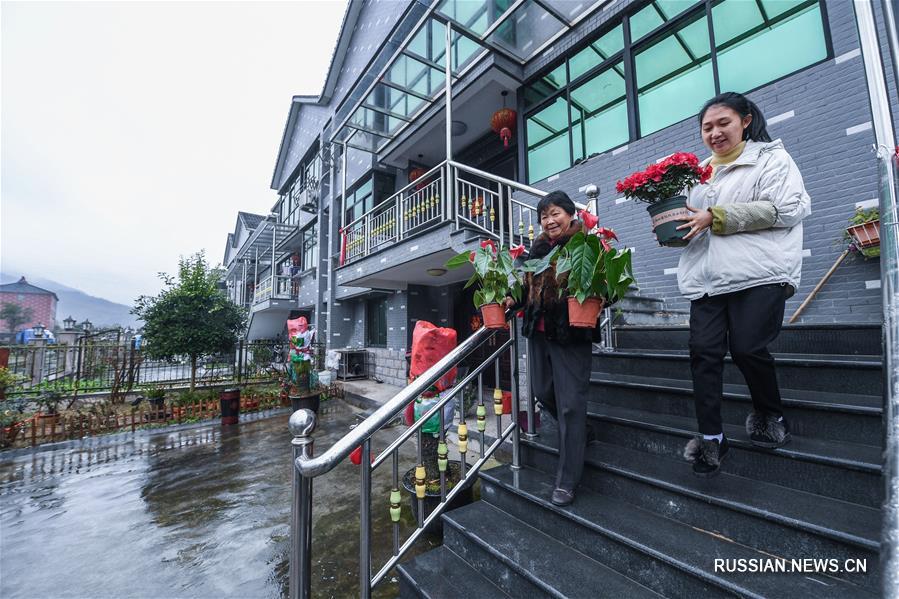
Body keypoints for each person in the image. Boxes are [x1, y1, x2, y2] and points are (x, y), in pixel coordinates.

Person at [676, 92, 811, 477]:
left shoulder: (772, 159)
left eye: (723, 123)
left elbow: (785, 209)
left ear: (746, 120)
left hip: (760, 273)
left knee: (748, 347)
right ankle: (711, 438)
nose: (715, 132)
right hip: (708, 278)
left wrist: (715, 216)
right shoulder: (698, 174)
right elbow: (693, 221)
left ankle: (770, 415)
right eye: (707, 127)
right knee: (703, 352)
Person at [505, 190, 600, 506]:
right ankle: (583, 429)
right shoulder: (537, 248)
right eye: (544, 216)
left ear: (571, 214)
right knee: (543, 392)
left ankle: (568, 480)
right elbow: (525, 286)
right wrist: (511, 299)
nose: (549, 220)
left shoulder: (586, 243)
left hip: (571, 334)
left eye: (555, 213)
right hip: (539, 333)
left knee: (571, 403)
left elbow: (604, 285)